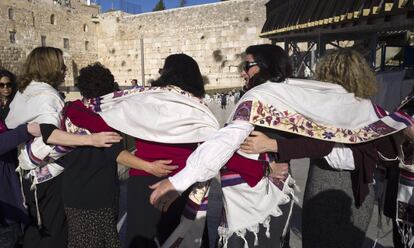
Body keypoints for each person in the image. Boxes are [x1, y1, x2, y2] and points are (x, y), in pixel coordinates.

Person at [149, 47, 413, 248]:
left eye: (247, 65)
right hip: (319, 191)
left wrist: (273, 146)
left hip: (327, 192)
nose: (242, 71)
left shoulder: (351, 106)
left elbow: (331, 145)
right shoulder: (303, 100)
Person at [237, 49, 394, 248]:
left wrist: (270, 144)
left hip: (324, 180)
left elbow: (320, 145)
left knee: (317, 241)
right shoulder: (370, 110)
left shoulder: (327, 106)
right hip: (360, 188)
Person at [38, 62, 180, 248]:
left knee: (82, 241)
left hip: (73, 191)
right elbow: (117, 153)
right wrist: (150, 166)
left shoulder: (69, 110)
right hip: (98, 193)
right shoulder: (104, 117)